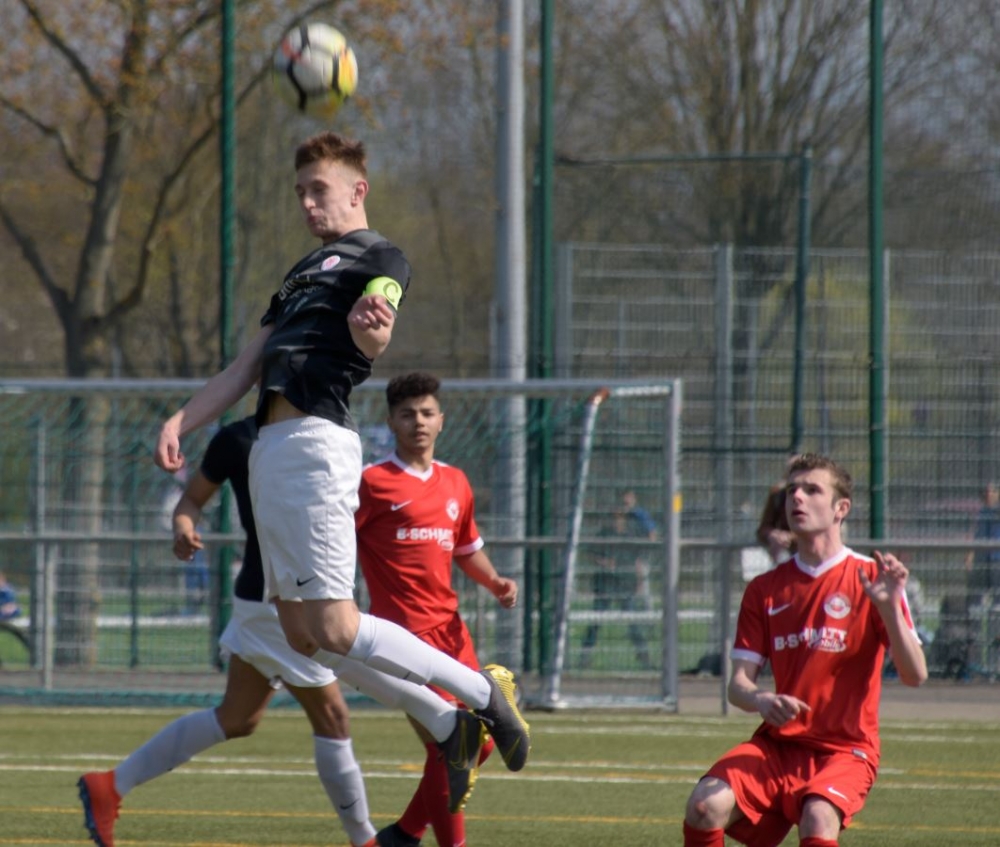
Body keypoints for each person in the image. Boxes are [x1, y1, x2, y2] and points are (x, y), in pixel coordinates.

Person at [153, 131, 529, 802]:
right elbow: (243, 368)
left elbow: (377, 330)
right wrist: (180, 420)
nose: (306, 202)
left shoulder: (381, 256)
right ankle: (449, 727)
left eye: (318, 189)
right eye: (300, 191)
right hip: (270, 454)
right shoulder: (299, 274)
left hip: (315, 446)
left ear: (358, 190)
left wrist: (370, 329)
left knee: (336, 627)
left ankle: (482, 694)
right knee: (303, 637)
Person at [79, 416, 470, 847]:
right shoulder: (241, 439)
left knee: (237, 717)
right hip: (280, 600)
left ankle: (109, 786)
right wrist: (183, 526)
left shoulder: (327, 433)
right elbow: (191, 499)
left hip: (282, 596)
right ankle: (369, 836)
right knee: (332, 717)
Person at [682, 453, 927, 847]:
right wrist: (761, 699)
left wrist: (889, 610)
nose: (797, 497)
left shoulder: (871, 578)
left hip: (845, 751)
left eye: (812, 490)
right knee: (703, 805)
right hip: (778, 746)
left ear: (840, 509)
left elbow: (916, 675)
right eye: (792, 489)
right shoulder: (765, 589)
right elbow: (738, 686)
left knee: (818, 816)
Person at [355, 372, 517, 847]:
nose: (418, 422)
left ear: (441, 420)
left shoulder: (455, 482)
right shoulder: (371, 482)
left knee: (479, 743)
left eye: (427, 413)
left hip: (452, 634)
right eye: (407, 414)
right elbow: (337, 540)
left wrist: (494, 581)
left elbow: (466, 547)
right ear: (391, 422)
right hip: (401, 640)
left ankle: (404, 834)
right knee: (451, 745)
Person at [581, 500, 653, 670]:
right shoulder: (604, 534)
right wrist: (604, 562)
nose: (617, 520)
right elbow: (591, 553)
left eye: (621, 517)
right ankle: (584, 656)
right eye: (615, 517)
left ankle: (644, 657)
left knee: (633, 622)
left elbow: (637, 561)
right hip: (606, 584)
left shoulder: (630, 535)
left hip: (625, 583)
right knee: (596, 621)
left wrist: (639, 580)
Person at [964, 482, 1000, 607]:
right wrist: (970, 556)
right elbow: (975, 534)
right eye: (986, 492)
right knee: (978, 595)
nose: (989, 495)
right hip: (982, 559)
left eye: (992, 491)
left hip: (997, 559)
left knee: (997, 596)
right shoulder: (982, 512)